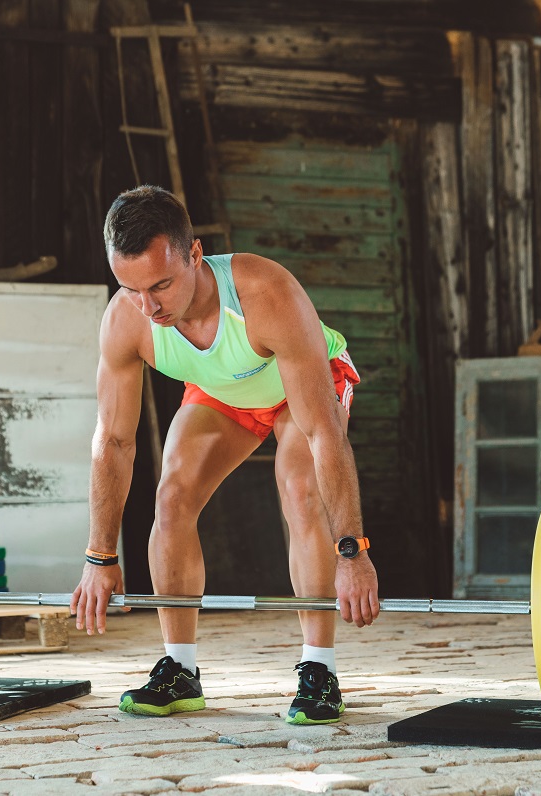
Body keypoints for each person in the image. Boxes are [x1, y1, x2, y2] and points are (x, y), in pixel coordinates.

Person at [70, 185, 380, 725]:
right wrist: (100, 557)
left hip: (303, 386)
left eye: (162, 285)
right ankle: (180, 670)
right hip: (225, 392)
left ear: (194, 254)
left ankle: (319, 671)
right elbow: (114, 442)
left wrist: (352, 551)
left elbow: (324, 433)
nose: (150, 307)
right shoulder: (128, 320)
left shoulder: (265, 293)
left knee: (300, 491)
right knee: (172, 496)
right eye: (131, 288)